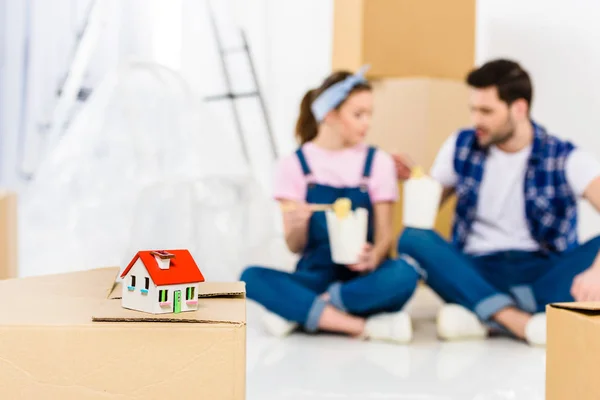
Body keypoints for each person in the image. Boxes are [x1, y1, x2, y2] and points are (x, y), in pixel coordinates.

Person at [394, 59, 600, 346]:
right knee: (412, 237)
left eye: (487, 111)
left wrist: (597, 270)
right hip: (480, 268)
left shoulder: (564, 156)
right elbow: (427, 212)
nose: (477, 120)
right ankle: (519, 322)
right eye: (473, 110)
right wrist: (417, 182)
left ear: (519, 108)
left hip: (542, 274)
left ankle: (482, 314)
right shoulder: (462, 145)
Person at [241, 66, 420, 343]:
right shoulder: (293, 166)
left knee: (407, 273)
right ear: (329, 115)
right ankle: (358, 326)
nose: (366, 123)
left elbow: (385, 233)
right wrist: (298, 224)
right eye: (358, 114)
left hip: (363, 280)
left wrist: (374, 256)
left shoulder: (379, 162)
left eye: (369, 114)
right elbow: (294, 246)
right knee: (249, 277)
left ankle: (305, 311)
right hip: (314, 275)